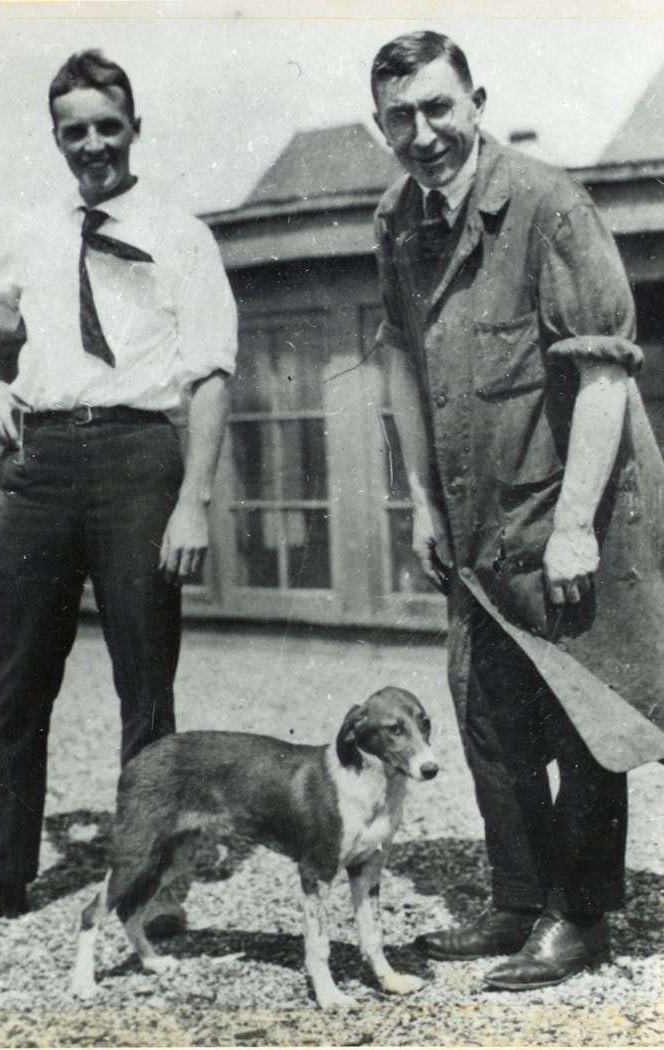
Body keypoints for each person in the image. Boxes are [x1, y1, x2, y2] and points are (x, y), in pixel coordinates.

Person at [0, 50, 237, 941]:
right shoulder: (34, 227)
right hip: (43, 466)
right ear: (57, 138)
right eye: (74, 131)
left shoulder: (181, 234)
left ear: (134, 127)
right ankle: (2, 874)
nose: (92, 143)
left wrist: (193, 500)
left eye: (107, 125)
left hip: (140, 461)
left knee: (146, 687)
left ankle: (151, 885)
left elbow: (210, 375)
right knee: (18, 686)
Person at [370, 30, 664, 989]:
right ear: (383, 125)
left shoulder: (550, 206)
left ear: (477, 100)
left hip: (575, 502)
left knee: (582, 716)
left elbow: (606, 373)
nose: (424, 134)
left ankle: (578, 917)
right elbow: (403, 368)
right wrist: (419, 503)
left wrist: (576, 523)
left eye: (439, 108)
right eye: (401, 116)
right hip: (476, 515)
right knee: (488, 713)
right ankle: (514, 899)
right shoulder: (395, 223)